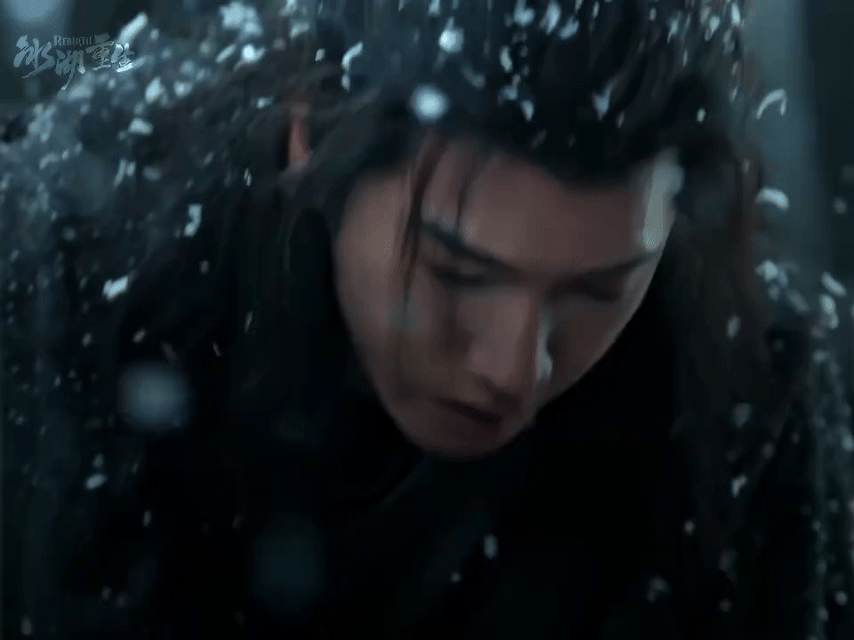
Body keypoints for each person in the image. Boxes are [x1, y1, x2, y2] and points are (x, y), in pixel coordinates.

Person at [2, 0, 853, 638]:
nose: (515, 368)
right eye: (459, 274)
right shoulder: (79, 279)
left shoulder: (746, 406)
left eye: (597, 292)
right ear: (312, 140)